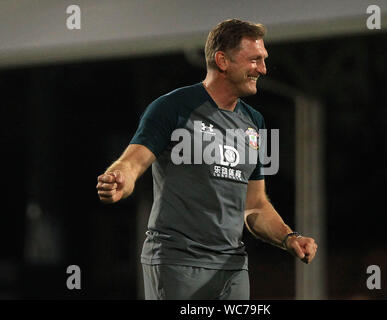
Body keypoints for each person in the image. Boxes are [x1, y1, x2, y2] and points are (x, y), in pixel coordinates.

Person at [96, 18, 317, 300]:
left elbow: (255, 204)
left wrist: (289, 238)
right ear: (222, 61)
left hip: (232, 268)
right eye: (254, 60)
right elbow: (133, 161)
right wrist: (120, 179)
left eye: (263, 60)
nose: (262, 69)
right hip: (177, 263)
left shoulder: (255, 122)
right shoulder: (172, 107)